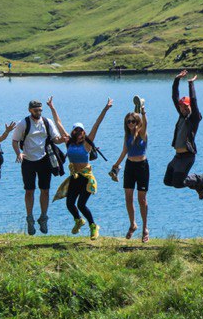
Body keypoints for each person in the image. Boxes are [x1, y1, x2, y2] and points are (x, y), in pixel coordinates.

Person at [48, 97, 111, 239]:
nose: (79, 132)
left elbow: (96, 125)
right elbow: (58, 123)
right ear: (73, 132)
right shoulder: (68, 143)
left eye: (81, 130)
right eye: (76, 130)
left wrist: (105, 109)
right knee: (70, 203)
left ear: (84, 132)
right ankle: (78, 220)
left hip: (86, 178)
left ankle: (93, 226)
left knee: (81, 204)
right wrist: (52, 107)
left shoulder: (87, 144)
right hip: (75, 177)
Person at [162, 70, 203, 197]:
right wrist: (176, 80)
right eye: (182, 107)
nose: (184, 109)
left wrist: (191, 84)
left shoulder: (194, 118)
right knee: (167, 181)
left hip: (187, 156)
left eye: (186, 107)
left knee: (178, 183)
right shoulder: (181, 116)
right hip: (177, 156)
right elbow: (174, 97)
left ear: (190, 107)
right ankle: (198, 185)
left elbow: (194, 101)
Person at [14, 98, 61, 235]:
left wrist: (62, 139)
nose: (38, 112)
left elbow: (55, 138)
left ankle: (43, 217)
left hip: (44, 160)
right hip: (28, 161)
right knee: (29, 191)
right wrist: (19, 153)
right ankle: (30, 219)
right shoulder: (24, 123)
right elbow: (15, 141)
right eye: (36, 110)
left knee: (45, 190)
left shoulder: (47, 122)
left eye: (40, 110)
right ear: (30, 110)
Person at [109, 96, 150, 241]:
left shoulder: (142, 134)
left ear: (137, 122)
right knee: (128, 197)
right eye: (128, 122)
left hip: (142, 167)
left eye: (133, 121)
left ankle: (145, 228)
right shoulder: (127, 135)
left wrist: (143, 112)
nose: (130, 123)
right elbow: (124, 151)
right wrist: (116, 164)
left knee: (142, 199)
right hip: (130, 166)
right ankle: (133, 224)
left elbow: (145, 124)